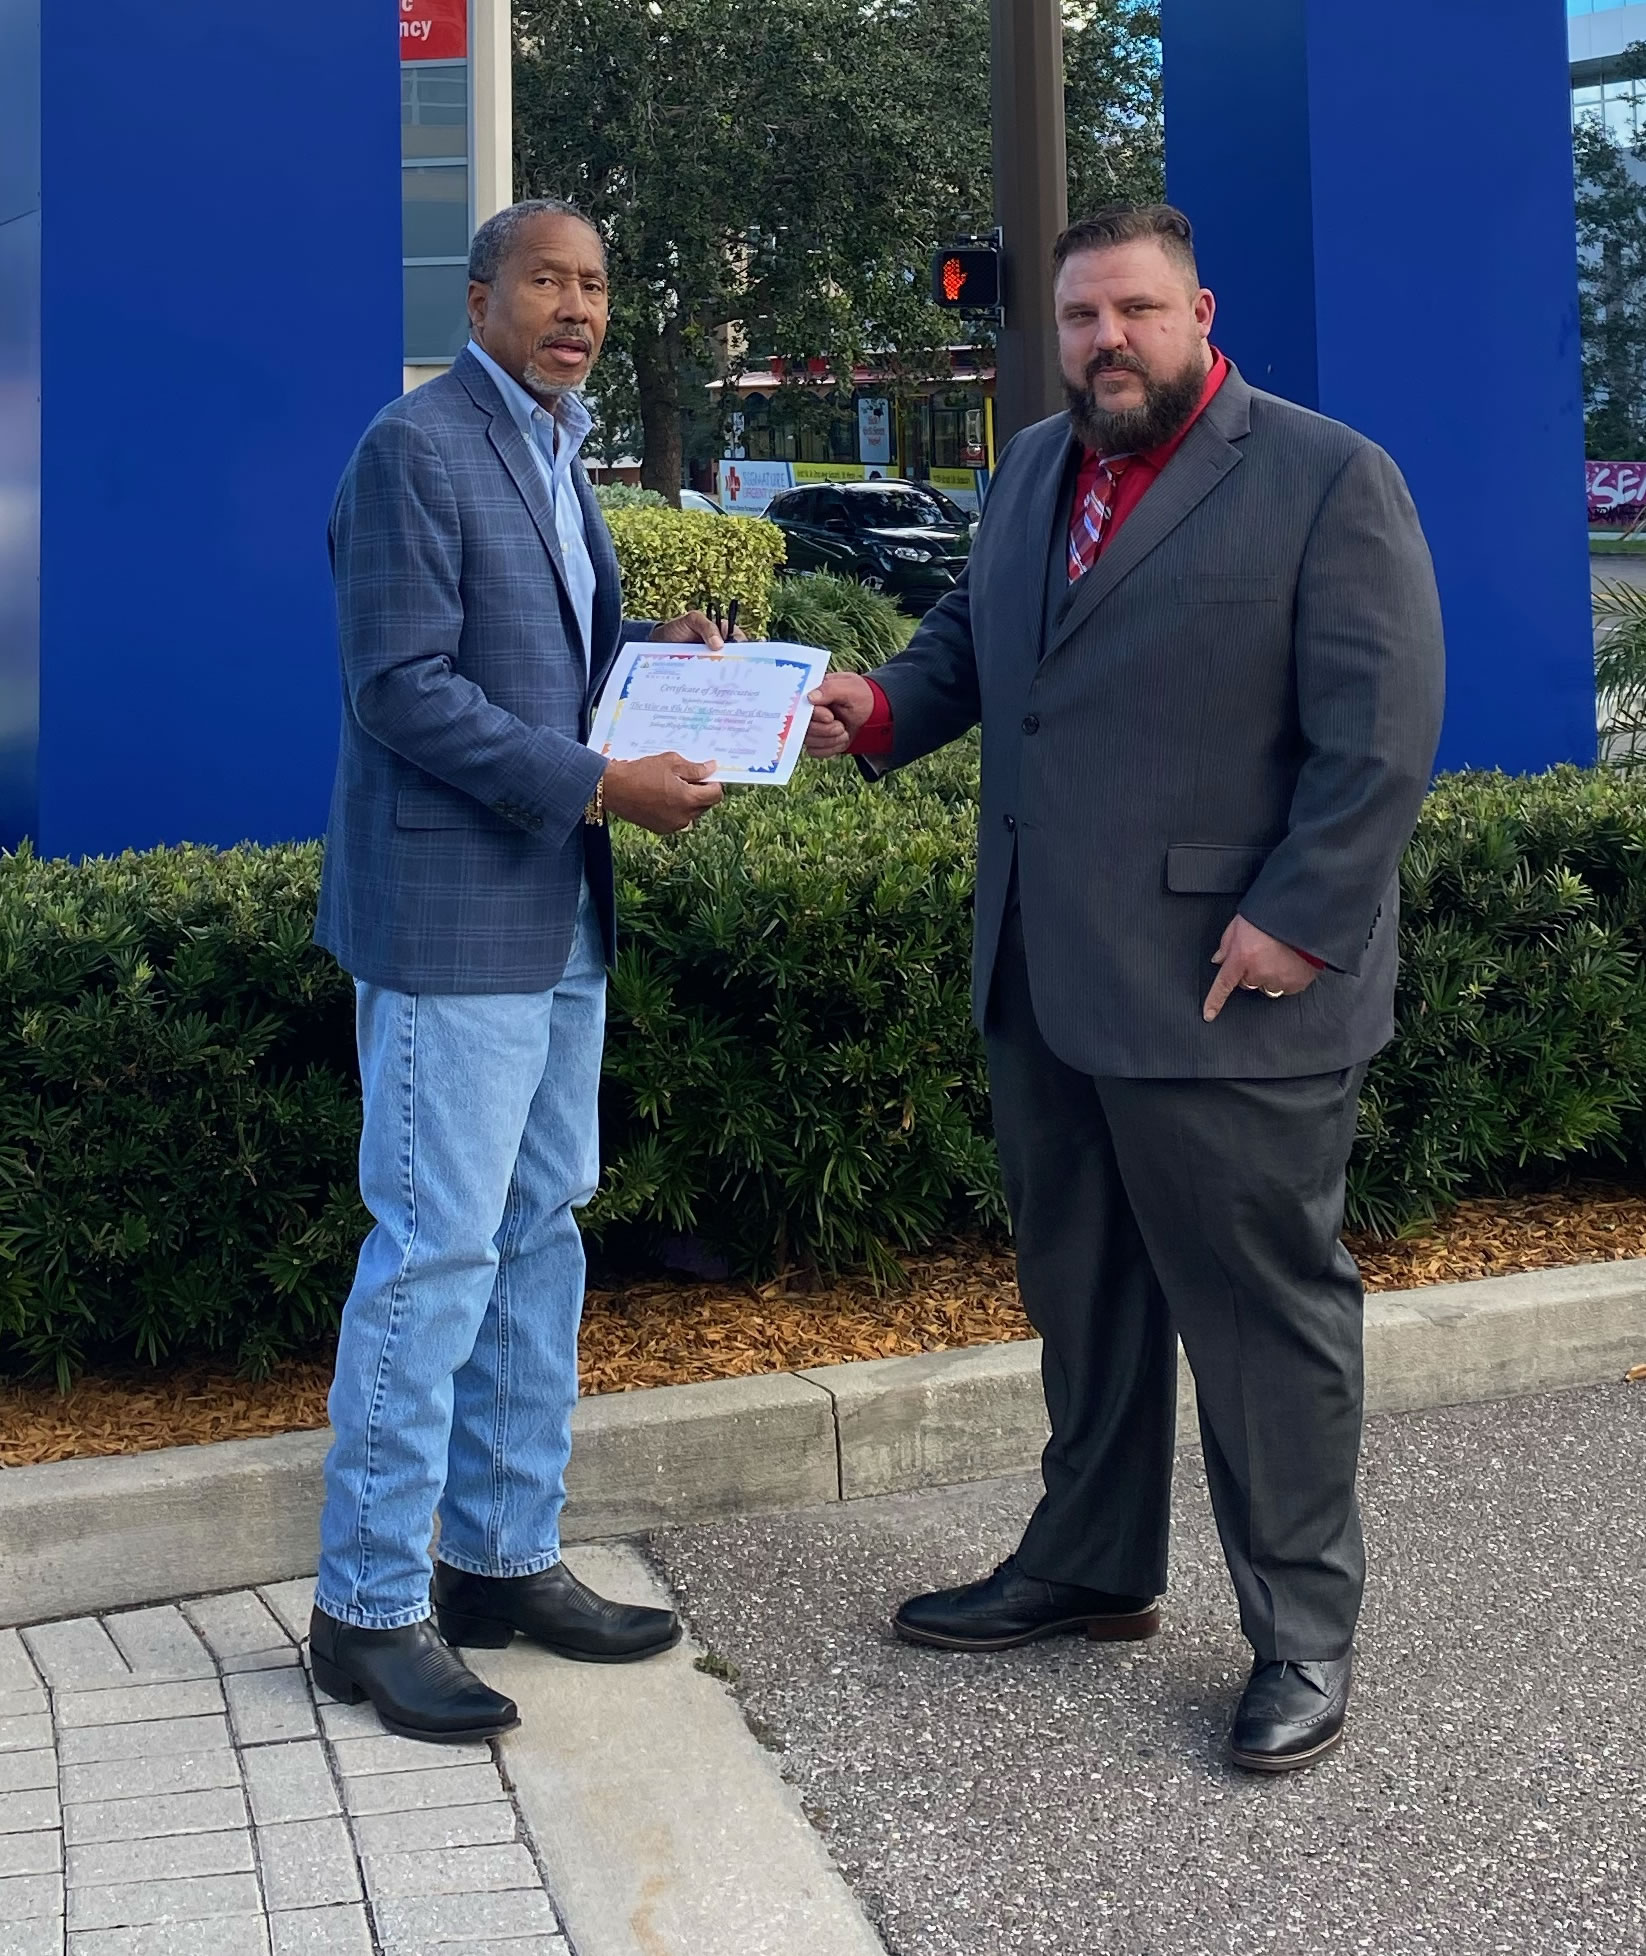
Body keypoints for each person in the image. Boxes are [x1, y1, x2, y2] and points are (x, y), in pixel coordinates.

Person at [806, 203, 1445, 1773]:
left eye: (1135, 313)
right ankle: (1089, 1566)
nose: (1105, 342)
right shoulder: (1030, 468)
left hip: (1231, 986)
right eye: (1083, 317)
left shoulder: (1322, 476)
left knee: (1259, 1323)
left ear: (1198, 313)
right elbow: (974, 646)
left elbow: (1379, 732)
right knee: (1082, 1304)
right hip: (1045, 973)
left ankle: (1300, 1632)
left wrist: (1295, 920)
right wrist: (874, 703)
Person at [310, 197, 729, 1743]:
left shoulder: (552, 447)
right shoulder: (415, 449)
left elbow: (554, 668)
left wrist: (657, 663)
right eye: (547, 279)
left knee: (540, 1230)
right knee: (434, 1252)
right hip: (451, 922)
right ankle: (364, 1605)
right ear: (481, 295)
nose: (577, 306)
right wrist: (598, 783)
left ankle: (497, 1559)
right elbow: (400, 692)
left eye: (597, 284)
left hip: (554, 918)